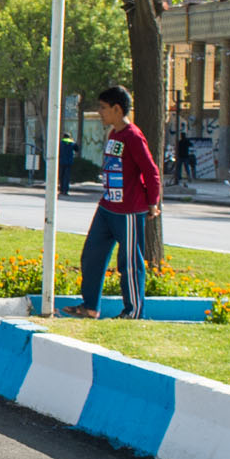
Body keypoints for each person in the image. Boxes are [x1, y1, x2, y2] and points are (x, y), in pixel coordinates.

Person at [63, 84, 161, 321]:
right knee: (92, 255)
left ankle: (133, 312)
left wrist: (152, 203)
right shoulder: (114, 134)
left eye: (103, 108)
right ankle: (90, 306)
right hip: (107, 207)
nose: (100, 112)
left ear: (118, 109)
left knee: (128, 262)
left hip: (128, 212)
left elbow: (151, 170)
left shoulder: (133, 136)